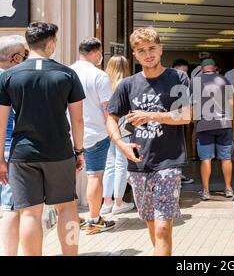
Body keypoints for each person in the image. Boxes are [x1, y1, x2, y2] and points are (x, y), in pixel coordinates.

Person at [0, 22, 85, 256]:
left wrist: (0, 160)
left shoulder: (9, 76)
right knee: (67, 207)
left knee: (29, 212)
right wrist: (79, 151)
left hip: (22, 154)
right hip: (59, 151)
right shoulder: (67, 74)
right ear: (51, 43)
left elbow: (0, 122)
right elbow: (77, 120)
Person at [106, 26, 191, 256]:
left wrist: (150, 115)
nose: (148, 54)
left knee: (163, 226)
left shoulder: (178, 78)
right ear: (135, 54)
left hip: (169, 162)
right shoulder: (128, 85)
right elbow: (111, 118)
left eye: (152, 48)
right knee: (152, 224)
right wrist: (121, 144)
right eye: (141, 50)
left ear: (161, 49)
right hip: (139, 164)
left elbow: (185, 115)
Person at [70, 37, 116, 235]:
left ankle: (69, 216)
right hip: (96, 134)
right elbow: (107, 109)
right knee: (95, 176)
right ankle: (94, 219)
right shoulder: (99, 76)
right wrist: (115, 134)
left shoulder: (66, 72)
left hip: (69, 134)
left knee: (67, 177)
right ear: (97, 53)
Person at [0, 35, 28, 256]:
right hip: (8, 149)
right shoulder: (11, 81)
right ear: (16, 58)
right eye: (26, 55)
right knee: (11, 208)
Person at [194, 59, 234, 201]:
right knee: (226, 158)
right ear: (215, 68)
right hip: (224, 124)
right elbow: (231, 102)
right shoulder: (223, 80)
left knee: (206, 159)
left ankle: (206, 191)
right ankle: (228, 188)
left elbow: (191, 103)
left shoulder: (196, 81)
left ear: (202, 68)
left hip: (204, 125)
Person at [100, 55, 135, 216]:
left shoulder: (105, 82)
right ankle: (118, 202)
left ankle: (107, 202)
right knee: (121, 164)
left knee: (110, 164)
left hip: (107, 127)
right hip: (123, 128)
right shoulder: (127, 84)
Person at [172, 59, 194, 185]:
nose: (185, 75)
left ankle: (177, 175)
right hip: (172, 118)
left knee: (178, 148)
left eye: (186, 71)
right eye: (183, 71)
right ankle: (176, 176)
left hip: (178, 117)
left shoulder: (184, 81)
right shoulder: (170, 80)